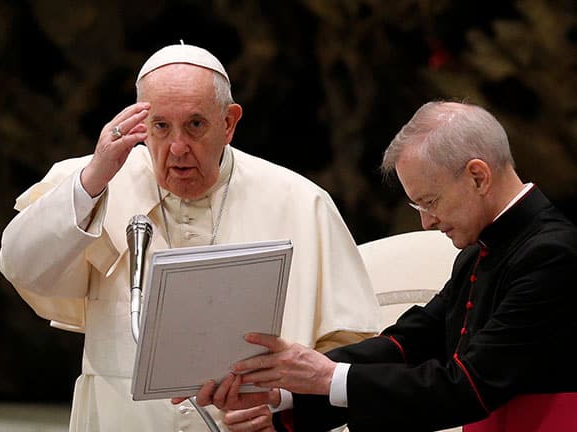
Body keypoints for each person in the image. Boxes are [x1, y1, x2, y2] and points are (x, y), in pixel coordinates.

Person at [0, 42, 380, 431]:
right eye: (160, 126)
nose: (177, 148)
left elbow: (350, 348)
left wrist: (287, 409)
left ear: (229, 123)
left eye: (196, 125)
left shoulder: (301, 201)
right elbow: (21, 266)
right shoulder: (93, 181)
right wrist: (93, 181)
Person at [196, 101, 577, 431]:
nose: (427, 222)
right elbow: (410, 342)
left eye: (430, 201)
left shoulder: (552, 254)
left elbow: (469, 385)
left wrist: (327, 377)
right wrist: (287, 388)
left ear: (478, 176)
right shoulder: (478, 253)